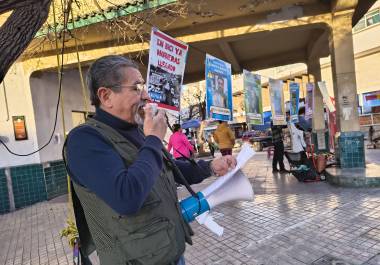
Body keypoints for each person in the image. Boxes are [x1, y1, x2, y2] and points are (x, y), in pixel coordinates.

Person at [63, 55, 237, 265]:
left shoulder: (138, 129)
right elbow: (126, 197)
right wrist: (154, 138)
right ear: (106, 96)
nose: (145, 95)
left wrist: (209, 166)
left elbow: (168, 167)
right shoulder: (84, 141)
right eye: (136, 88)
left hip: (170, 252)